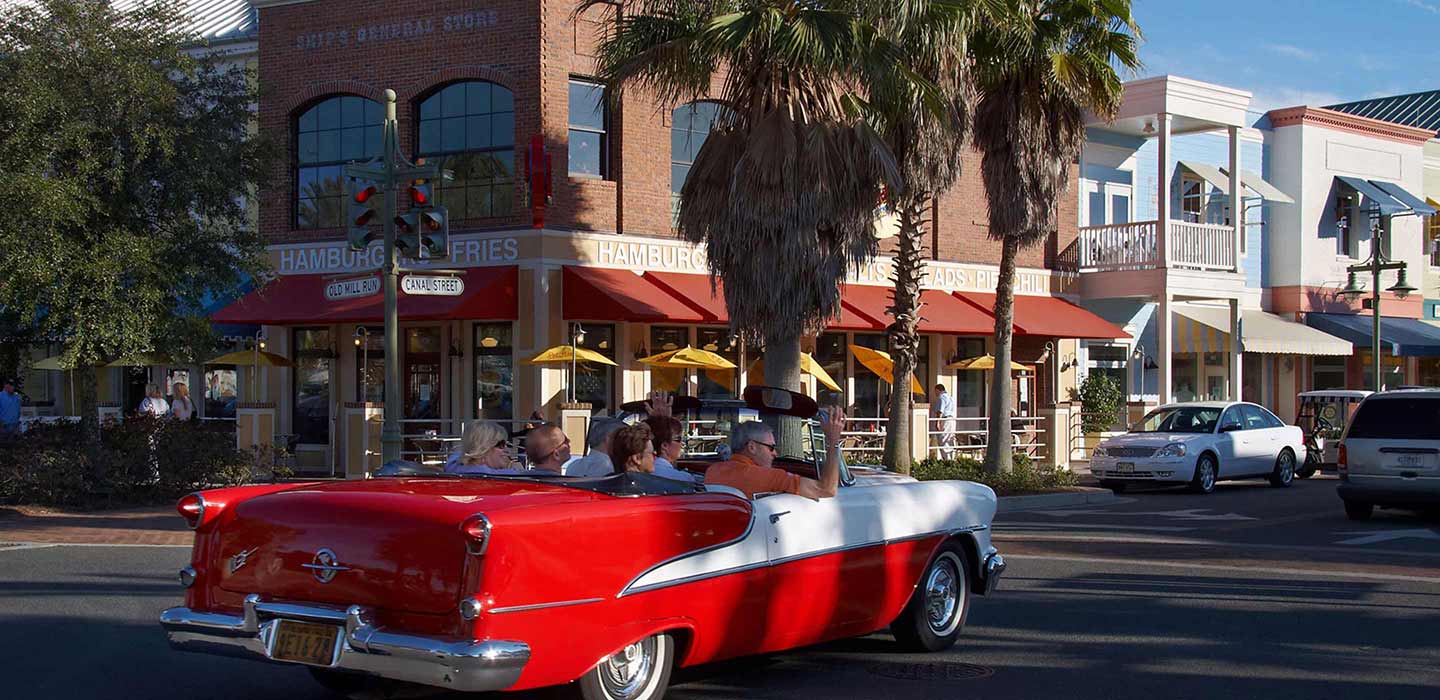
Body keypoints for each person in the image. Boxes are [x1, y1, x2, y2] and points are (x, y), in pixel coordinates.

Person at [705, 408, 846, 499]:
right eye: (771, 447)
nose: (775, 453)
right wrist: (833, 440)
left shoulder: (712, 472)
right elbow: (827, 490)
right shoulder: (769, 477)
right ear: (752, 447)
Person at [445, 420, 525, 475]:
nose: (507, 449)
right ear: (485, 447)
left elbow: (457, 454)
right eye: (501, 444)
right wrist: (515, 470)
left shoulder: (452, 466)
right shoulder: (504, 477)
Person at [645, 415, 697, 483]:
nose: (682, 444)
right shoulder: (684, 479)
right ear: (664, 445)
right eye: (678, 439)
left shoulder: (639, 472)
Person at [932, 383, 957, 459]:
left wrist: (937, 423)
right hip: (952, 420)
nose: (935, 393)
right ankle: (951, 458)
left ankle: (947, 459)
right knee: (950, 439)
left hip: (945, 420)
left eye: (935, 391)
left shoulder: (941, 398)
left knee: (943, 439)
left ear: (938, 390)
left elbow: (940, 411)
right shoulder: (951, 397)